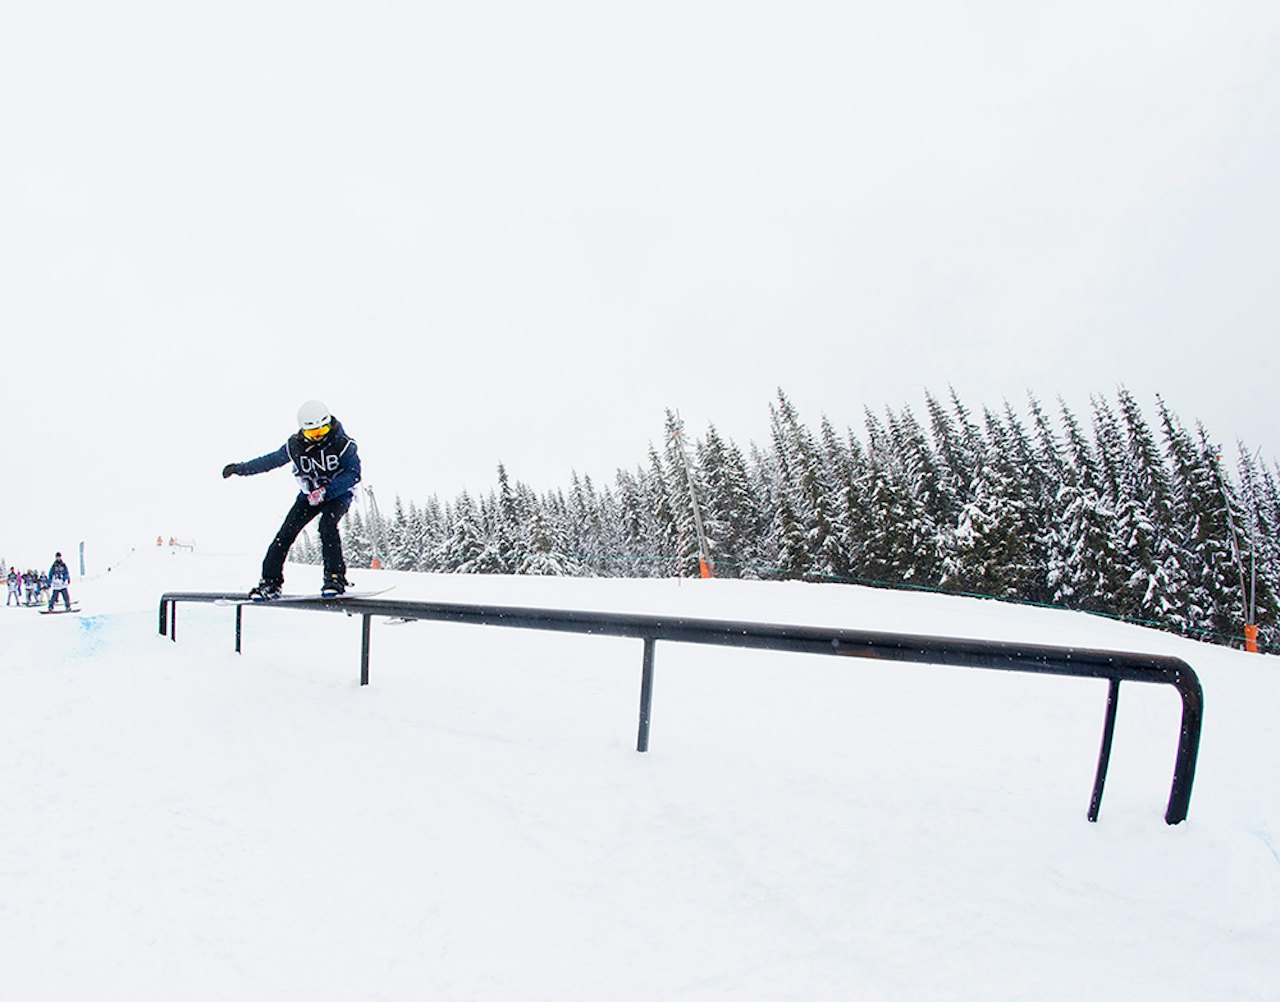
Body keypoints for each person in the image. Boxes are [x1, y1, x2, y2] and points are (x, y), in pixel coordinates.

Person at [222, 399, 362, 599]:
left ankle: (335, 578)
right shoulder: (295, 446)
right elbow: (269, 461)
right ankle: (270, 583)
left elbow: (353, 473)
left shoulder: (343, 444)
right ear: (302, 431)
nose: (318, 438)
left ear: (329, 424)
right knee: (285, 534)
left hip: (338, 494)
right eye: (312, 434)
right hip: (309, 495)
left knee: (327, 526)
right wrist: (240, 469)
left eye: (322, 431)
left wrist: (327, 492)